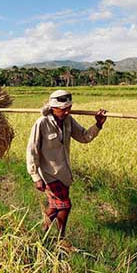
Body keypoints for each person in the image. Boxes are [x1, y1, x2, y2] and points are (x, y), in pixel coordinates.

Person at [26, 89, 107, 242]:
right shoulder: (42, 123)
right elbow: (32, 151)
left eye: (69, 108)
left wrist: (98, 124)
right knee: (64, 206)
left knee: (56, 206)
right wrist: (35, 176)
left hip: (63, 173)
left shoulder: (68, 121)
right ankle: (60, 238)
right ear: (53, 108)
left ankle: (41, 232)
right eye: (63, 109)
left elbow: (84, 137)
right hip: (48, 174)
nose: (67, 111)